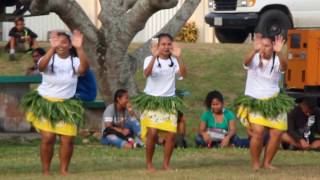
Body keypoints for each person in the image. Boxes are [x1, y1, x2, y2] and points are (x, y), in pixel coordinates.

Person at [21, 30, 89, 175]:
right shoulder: (48, 58)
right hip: (46, 103)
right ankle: (46, 170)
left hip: (66, 104)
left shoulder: (74, 61)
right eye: (58, 42)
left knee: (68, 139)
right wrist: (51, 49)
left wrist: (79, 48)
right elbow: (41, 67)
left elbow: (84, 69)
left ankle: (64, 170)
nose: (61, 45)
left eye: (64, 42)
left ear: (70, 45)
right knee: (48, 137)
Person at [234, 33, 295, 170]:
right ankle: (255, 163)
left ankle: (267, 163)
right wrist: (254, 50)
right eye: (261, 45)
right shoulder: (254, 58)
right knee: (259, 132)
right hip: (255, 99)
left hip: (274, 100)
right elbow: (245, 62)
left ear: (273, 47)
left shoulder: (277, 59)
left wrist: (280, 53)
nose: (263, 48)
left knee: (277, 132)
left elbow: (285, 67)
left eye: (267, 46)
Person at [132, 33, 186, 172]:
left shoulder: (174, 61)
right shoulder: (149, 59)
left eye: (169, 44)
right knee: (153, 132)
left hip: (168, 101)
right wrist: (155, 56)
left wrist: (179, 57)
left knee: (171, 134)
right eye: (163, 44)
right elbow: (146, 73)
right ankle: (149, 164)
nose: (166, 47)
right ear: (158, 46)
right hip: (152, 101)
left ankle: (166, 164)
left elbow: (183, 75)